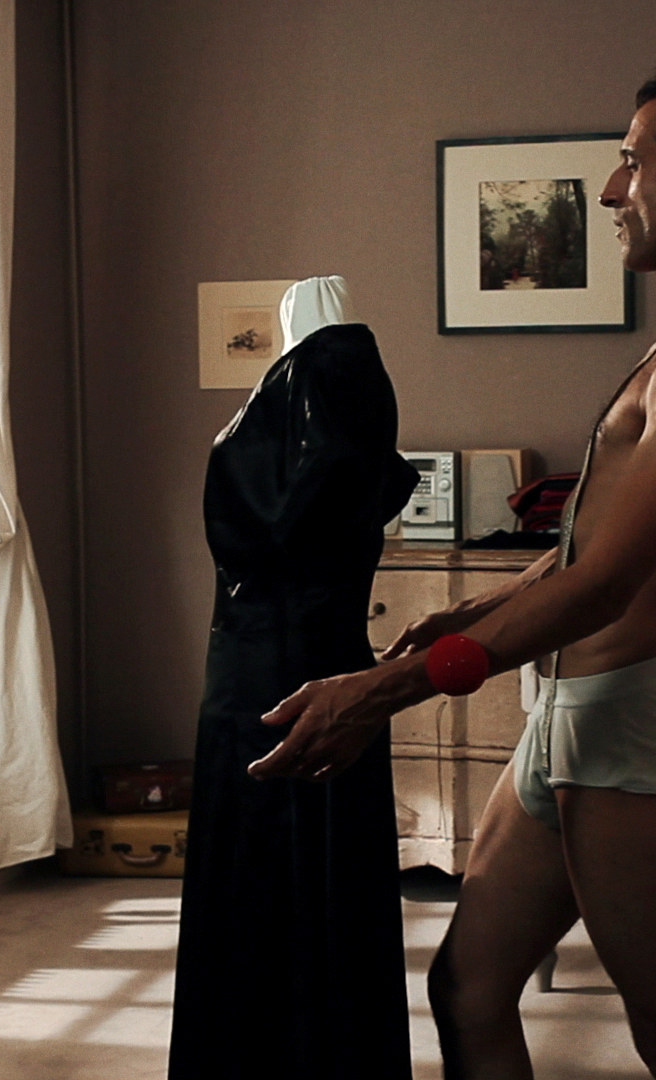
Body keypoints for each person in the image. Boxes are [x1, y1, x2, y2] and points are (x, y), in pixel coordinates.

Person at [248, 69, 656, 1080]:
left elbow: (606, 587)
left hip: (630, 729)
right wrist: (478, 605)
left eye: (630, 162)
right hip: (570, 718)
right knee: (466, 990)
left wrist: (381, 689)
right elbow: (590, 541)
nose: (610, 190)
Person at [168, 277, 419, 1080]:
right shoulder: (344, 388)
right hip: (304, 650)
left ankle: (274, 1054)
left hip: (274, 662)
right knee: (303, 866)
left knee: (276, 863)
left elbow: (278, 529)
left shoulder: (327, 379)